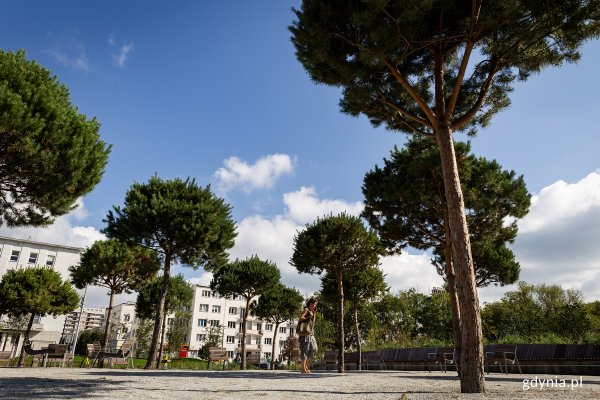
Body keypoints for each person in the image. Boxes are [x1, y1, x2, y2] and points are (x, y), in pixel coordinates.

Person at [298, 296, 318, 373]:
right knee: (304, 350)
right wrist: (309, 316)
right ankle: (303, 369)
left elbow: (313, 323)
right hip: (305, 333)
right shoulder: (306, 310)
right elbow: (301, 318)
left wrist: (314, 313)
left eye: (316, 304)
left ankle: (305, 366)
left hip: (311, 333)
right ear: (310, 303)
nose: (315, 306)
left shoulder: (313, 311)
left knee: (314, 349)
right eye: (314, 304)